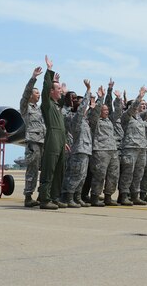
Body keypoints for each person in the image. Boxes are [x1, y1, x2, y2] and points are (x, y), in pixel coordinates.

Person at [37, 55, 68, 210]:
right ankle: (44, 199)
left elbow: (64, 100)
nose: (60, 92)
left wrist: (65, 141)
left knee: (59, 169)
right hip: (52, 138)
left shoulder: (57, 107)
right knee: (49, 169)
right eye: (58, 89)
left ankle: (54, 197)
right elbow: (45, 89)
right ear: (51, 92)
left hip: (61, 139)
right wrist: (49, 71)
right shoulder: (47, 105)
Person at [61, 80, 92, 208]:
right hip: (79, 150)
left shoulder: (84, 120)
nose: (85, 109)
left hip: (85, 150)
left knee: (82, 176)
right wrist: (88, 91)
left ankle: (77, 197)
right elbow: (80, 110)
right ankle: (68, 198)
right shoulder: (75, 118)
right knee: (75, 175)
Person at [87, 82, 119, 207]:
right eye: (104, 110)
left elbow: (116, 111)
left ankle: (108, 196)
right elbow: (95, 113)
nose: (106, 111)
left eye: (107, 110)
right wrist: (100, 98)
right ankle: (95, 197)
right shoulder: (95, 121)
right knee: (99, 175)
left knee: (113, 175)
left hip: (112, 150)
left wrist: (114, 95)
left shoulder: (109, 121)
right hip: (100, 151)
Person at [118, 86, 147, 206]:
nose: (138, 107)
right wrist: (140, 97)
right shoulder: (126, 117)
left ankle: (135, 195)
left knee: (139, 173)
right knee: (128, 173)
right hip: (130, 149)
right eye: (136, 105)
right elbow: (131, 109)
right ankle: (124, 196)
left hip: (142, 148)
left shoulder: (140, 118)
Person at [20, 66, 45, 208]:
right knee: (32, 170)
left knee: (41, 170)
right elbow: (25, 94)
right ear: (31, 95)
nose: (38, 95)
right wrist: (33, 78)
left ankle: (41, 195)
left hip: (42, 141)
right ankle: (28, 197)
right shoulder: (26, 107)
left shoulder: (38, 109)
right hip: (33, 143)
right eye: (36, 93)